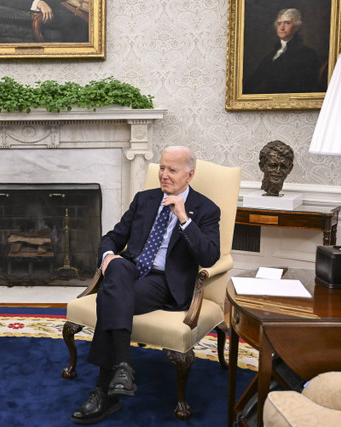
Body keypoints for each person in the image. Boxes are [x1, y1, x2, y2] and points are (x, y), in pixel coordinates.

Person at [70, 146, 221, 424]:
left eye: (171, 170)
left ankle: (104, 392)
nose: (163, 175)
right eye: (162, 168)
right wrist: (107, 256)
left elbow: (210, 256)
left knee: (109, 297)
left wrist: (184, 219)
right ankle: (124, 365)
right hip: (128, 271)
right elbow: (113, 237)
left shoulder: (205, 209)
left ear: (190, 174)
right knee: (116, 267)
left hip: (164, 282)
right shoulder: (144, 199)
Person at [243, 8, 321, 94]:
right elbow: (254, 80)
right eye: (279, 23)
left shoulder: (307, 54)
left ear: (296, 27)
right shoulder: (271, 55)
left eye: (287, 23)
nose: (282, 28)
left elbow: (304, 87)